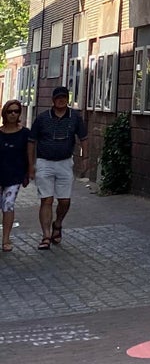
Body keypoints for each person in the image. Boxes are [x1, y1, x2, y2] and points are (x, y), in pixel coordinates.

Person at [28, 86, 87, 249]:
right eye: (58, 98)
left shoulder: (75, 117)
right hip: (44, 162)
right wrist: (31, 165)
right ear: (53, 100)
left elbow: (83, 138)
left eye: (64, 97)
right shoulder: (42, 118)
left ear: (67, 99)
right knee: (46, 199)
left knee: (64, 201)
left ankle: (58, 223)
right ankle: (46, 236)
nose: (61, 100)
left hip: (65, 162)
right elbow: (31, 142)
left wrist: (85, 158)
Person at [0, 100, 31, 253]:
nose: (13, 114)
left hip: (14, 175)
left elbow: (29, 154)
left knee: (8, 204)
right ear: (4, 113)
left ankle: (6, 239)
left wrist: (29, 172)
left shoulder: (25, 133)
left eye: (16, 111)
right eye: (10, 111)